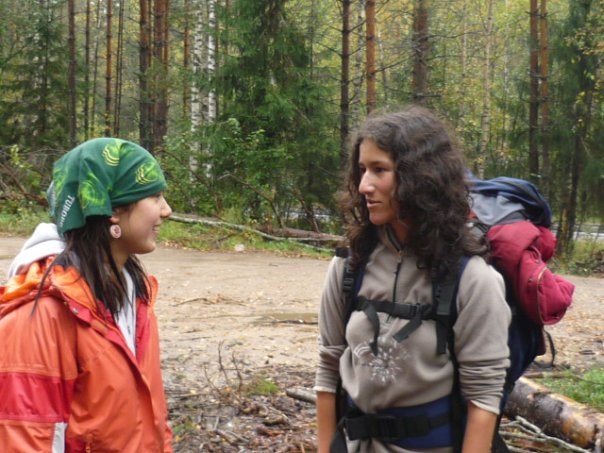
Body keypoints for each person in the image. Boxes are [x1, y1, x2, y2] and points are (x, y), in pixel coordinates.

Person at [315, 105, 511, 452]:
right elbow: (329, 367)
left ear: (421, 177)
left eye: (379, 170)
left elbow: (483, 398)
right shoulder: (349, 265)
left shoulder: (472, 279)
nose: (364, 185)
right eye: (362, 169)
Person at [0, 138, 174, 452]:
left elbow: (151, 420)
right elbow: (27, 438)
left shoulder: (136, 298)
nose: (166, 210)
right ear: (114, 210)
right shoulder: (41, 316)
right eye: (155, 196)